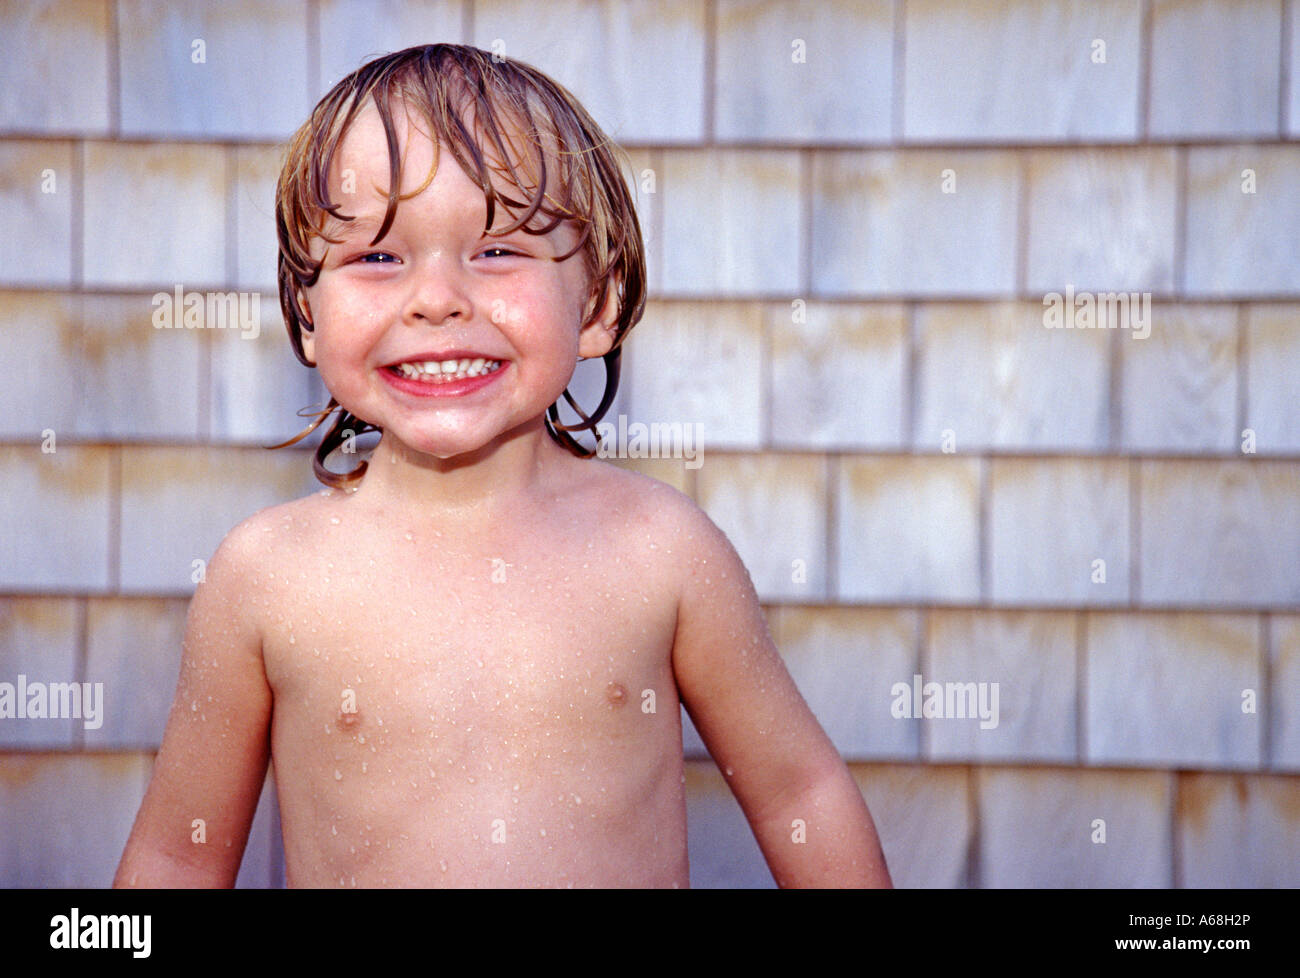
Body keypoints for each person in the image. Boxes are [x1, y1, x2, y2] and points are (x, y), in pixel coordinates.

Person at [114, 43, 891, 888]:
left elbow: (797, 794)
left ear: (596, 301)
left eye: (497, 251)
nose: (437, 297)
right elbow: (180, 854)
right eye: (376, 257)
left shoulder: (663, 551)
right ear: (307, 315)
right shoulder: (265, 578)